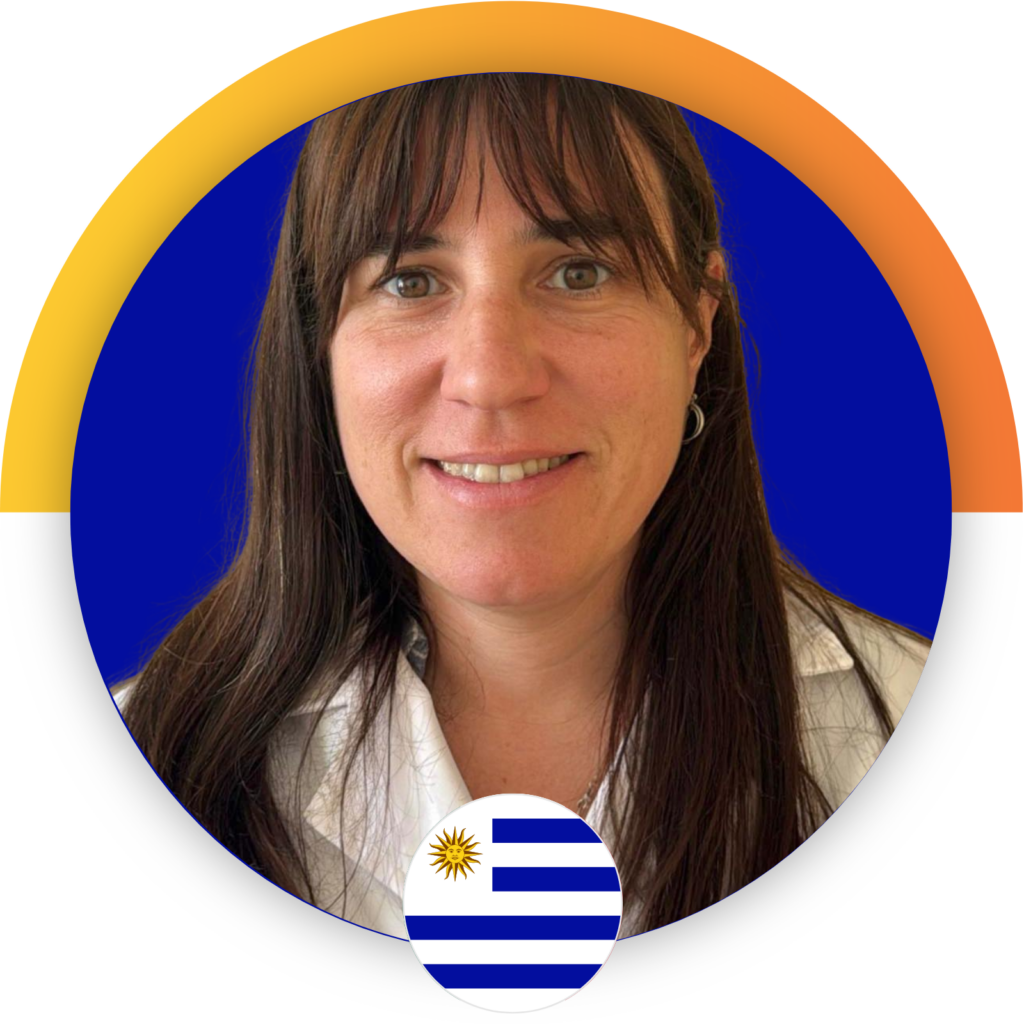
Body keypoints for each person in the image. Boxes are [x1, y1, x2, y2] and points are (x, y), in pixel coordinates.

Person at [117, 73, 929, 938]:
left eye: (578, 273)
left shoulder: (944, 738)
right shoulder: (122, 772)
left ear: (697, 324)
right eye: (411, 281)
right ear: (321, 342)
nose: (491, 376)